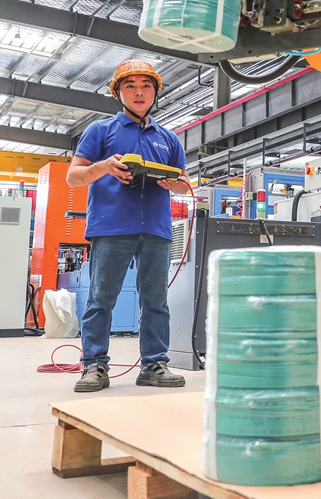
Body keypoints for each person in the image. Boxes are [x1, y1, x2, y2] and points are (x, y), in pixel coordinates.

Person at [66, 60, 190, 392]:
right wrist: (105, 167)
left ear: (155, 92)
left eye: (146, 86)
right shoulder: (100, 131)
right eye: (130, 85)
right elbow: (74, 176)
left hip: (157, 229)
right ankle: (94, 365)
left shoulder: (168, 139)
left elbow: (184, 182)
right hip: (111, 227)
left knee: (155, 301)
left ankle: (154, 365)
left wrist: (171, 183)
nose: (139, 92)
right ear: (118, 92)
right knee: (100, 299)